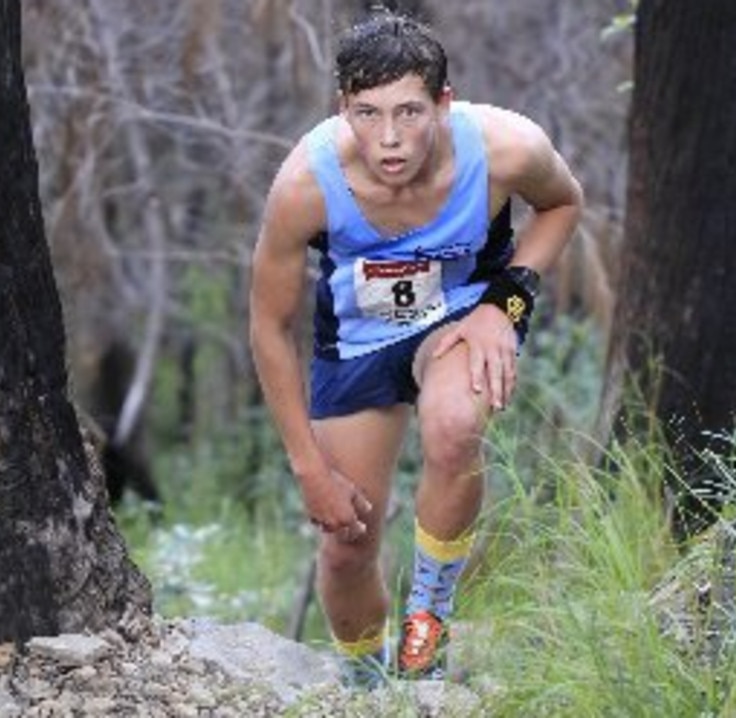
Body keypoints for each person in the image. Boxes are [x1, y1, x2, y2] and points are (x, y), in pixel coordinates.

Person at [248, 10, 583, 686]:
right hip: (358, 342)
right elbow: (267, 326)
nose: (390, 139)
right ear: (343, 108)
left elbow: (563, 205)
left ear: (444, 104)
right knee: (347, 546)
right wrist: (308, 467)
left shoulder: (506, 148)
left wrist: (504, 304)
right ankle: (366, 685)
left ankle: (427, 627)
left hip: (463, 317)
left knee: (456, 426)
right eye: (367, 114)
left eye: (409, 111)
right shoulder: (304, 187)